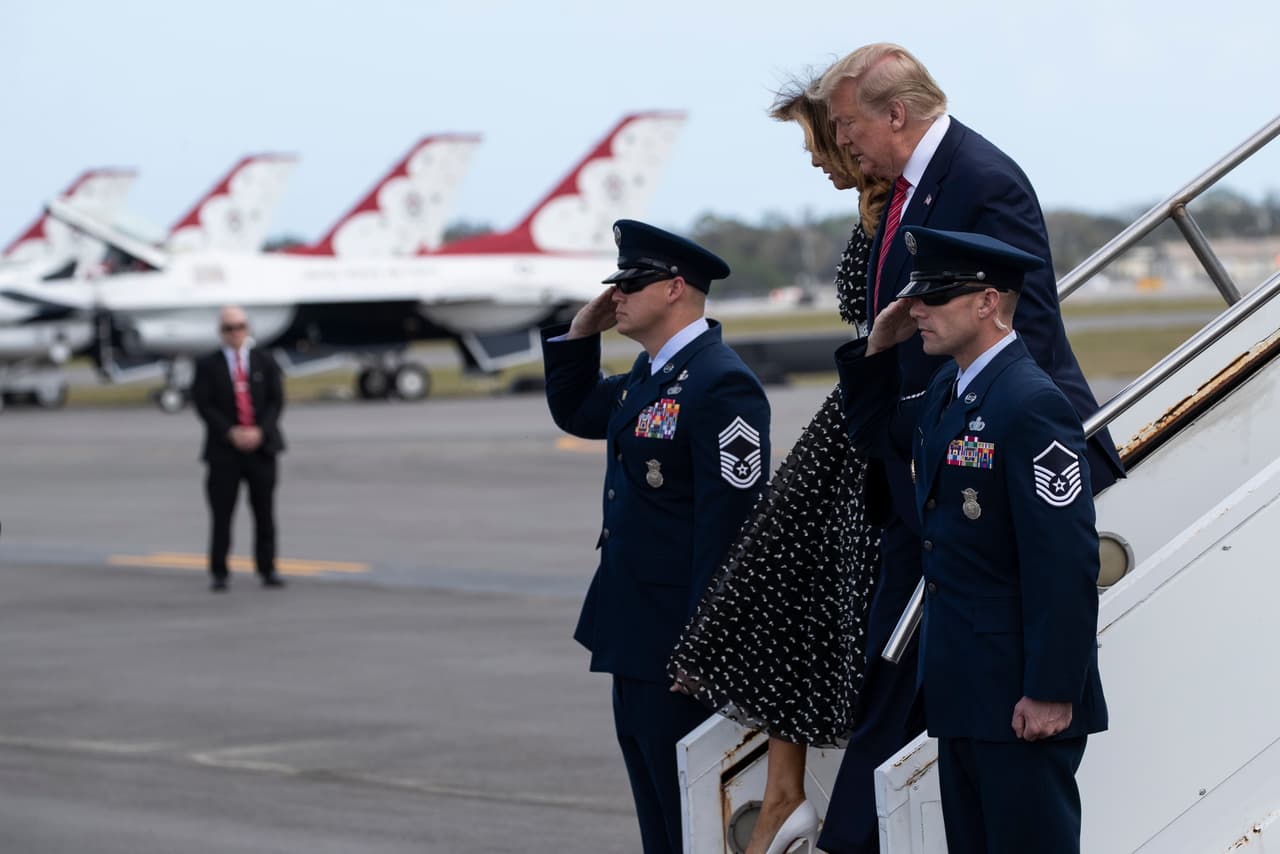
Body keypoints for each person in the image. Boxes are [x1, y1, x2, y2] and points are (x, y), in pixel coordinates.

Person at [811, 44, 1123, 853]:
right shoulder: (910, 196)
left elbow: (1030, 317)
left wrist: (1006, 411)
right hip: (937, 466)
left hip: (993, 459)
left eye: (847, 124)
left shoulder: (981, 179)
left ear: (895, 115)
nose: (843, 142)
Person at [667, 77, 889, 854]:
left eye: (816, 141)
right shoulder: (875, 211)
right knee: (772, 571)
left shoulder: (904, 210)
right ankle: (784, 790)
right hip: (853, 412)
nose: (813, 158)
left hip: (873, 418)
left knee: (794, 571)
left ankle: (785, 796)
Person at [835, 225, 1107, 853]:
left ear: (987, 302)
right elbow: (874, 432)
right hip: (963, 688)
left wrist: (1051, 689)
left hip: (1019, 695)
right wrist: (877, 348)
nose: (915, 309)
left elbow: (1063, 560)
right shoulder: (950, 390)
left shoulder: (1029, 402)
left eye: (935, 296)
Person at [542, 219, 771, 854]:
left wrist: (707, 647)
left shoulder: (720, 382)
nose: (616, 295)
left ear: (675, 289)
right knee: (656, 816)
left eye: (630, 283)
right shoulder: (650, 376)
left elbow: (730, 531)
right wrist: (579, 334)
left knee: (687, 820)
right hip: (635, 632)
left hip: (680, 646)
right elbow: (579, 409)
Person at [191, 305, 287, 592]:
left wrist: (260, 431)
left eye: (240, 327)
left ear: (248, 328)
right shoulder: (208, 365)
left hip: (261, 448)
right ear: (221, 333)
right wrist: (230, 432)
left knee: (264, 513)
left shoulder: (265, 361)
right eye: (229, 329)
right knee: (222, 514)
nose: (235, 333)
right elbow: (203, 404)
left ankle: (267, 568)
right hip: (224, 450)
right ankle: (219, 571)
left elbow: (276, 401)